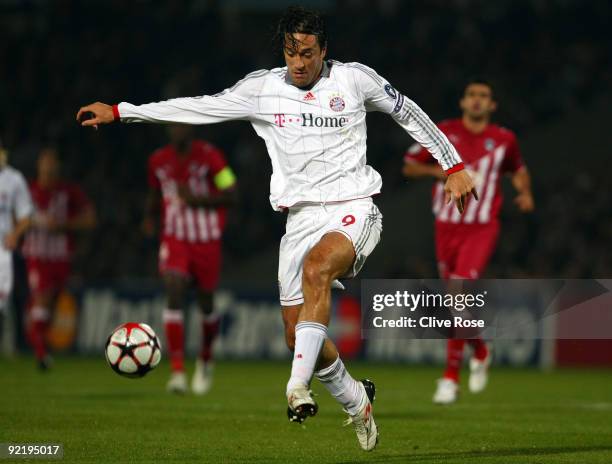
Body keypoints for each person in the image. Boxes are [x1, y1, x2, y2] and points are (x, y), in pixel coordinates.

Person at [77, 6, 476, 451]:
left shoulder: (354, 79)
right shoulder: (261, 89)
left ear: (325, 50)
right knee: (296, 334)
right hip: (299, 218)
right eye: (291, 53)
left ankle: (295, 389)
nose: (299, 63)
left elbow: (409, 112)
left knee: (319, 269)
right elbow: (196, 107)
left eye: (307, 53)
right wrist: (120, 111)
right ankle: (356, 401)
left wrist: (452, 164)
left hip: (353, 206)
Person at [403, 78, 534, 404]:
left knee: (458, 293)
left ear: (492, 105)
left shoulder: (504, 139)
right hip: (446, 227)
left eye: (483, 96)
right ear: (463, 102)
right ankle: (480, 347)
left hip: (481, 227)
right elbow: (408, 167)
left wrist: (525, 191)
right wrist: (440, 172)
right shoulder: (442, 132)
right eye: (472, 95)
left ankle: (449, 378)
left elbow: (517, 169)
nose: (477, 100)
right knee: (454, 304)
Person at [143, 124, 237, 395]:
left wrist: (197, 200)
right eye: (171, 124)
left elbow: (232, 194)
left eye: (181, 123)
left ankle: (205, 358)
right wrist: (149, 217)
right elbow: (154, 192)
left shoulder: (211, 156)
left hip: (207, 240)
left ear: (191, 126)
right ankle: (177, 372)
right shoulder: (157, 160)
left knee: (206, 304)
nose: (176, 129)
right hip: (175, 239)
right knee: (173, 289)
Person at [22, 147, 96, 369]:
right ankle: (41, 353)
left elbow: (90, 220)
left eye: (53, 164)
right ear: (39, 167)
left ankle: (39, 342)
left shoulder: (69, 192)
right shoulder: (27, 191)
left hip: (61, 258)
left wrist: (64, 225)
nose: (49, 168)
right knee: (42, 297)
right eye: (46, 164)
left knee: (51, 304)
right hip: (36, 255)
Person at [0, 140, 33, 349]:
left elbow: (25, 215)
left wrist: (15, 234)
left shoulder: (14, 179)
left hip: (2, 247)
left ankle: (9, 346)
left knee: (3, 301)